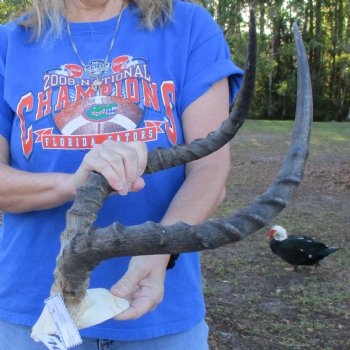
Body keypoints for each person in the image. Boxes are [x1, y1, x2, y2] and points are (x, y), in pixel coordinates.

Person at [0, 0, 243, 349]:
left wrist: (160, 251)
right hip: (33, 318)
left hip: (158, 312)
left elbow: (210, 168)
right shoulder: (10, 43)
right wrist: (72, 184)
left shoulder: (187, 26)